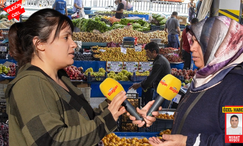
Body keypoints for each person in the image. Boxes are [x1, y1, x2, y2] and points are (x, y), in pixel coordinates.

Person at [6, 8, 158, 146]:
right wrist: (106, 119)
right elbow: (51, 141)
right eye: (66, 37)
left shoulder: (60, 79)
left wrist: (119, 106)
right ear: (39, 44)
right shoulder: (30, 84)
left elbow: (85, 122)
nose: (74, 44)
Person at [148, 16, 243, 146]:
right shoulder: (203, 79)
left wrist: (186, 142)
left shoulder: (235, 88)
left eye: (200, 43)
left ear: (220, 45)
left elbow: (235, 140)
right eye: (193, 41)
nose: (192, 48)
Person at [129, 42, 171, 108]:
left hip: (163, 92)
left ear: (154, 51)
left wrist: (139, 85)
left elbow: (151, 79)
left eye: (148, 52)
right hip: (161, 89)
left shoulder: (159, 63)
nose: (146, 54)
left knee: (158, 111)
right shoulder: (159, 59)